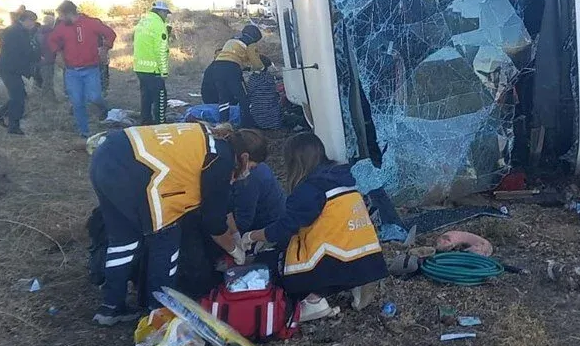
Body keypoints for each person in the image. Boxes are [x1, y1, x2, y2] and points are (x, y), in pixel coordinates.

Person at [89, 122, 250, 325]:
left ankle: (110, 307)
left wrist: (234, 234)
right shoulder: (222, 159)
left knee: (123, 241)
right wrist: (235, 250)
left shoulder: (208, 136)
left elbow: (218, 203)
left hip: (107, 155)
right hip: (136, 172)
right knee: (166, 240)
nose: (248, 173)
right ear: (244, 158)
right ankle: (158, 310)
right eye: (250, 168)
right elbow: (213, 222)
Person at [241, 133, 387, 321]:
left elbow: (286, 227)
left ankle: (314, 300)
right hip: (367, 255)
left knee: (279, 265)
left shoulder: (309, 190)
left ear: (295, 162)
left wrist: (253, 236)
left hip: (336, 258)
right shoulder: (343, 179)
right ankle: (357, 281)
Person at [47, 0, 116, 138]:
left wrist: (105, 48)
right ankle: (84, 132)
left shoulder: (91, 23)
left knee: (94, 96)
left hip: (90, 69)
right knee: (77, 102)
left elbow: (110, 34)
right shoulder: (62, 27)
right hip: (72, 71)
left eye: (61, 15)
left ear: (69, 13)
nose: (59, 18)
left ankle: (104, 109)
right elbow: (52, 40)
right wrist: (58, 53)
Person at [200, 24, 268, 126]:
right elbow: (255, 61)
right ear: (255, 37)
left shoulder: (231, 40)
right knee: (243, 97)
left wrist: (245, 67)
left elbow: (228, 56)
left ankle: (224, 124)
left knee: (223, 98)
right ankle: (247, 125)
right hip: (231, 68)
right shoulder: (250, 43)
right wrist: (263, 69)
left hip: (216, 67)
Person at [228, 129, 285, 243]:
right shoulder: (248, 168)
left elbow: (243, 222)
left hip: (268, 228)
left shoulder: (248, 180)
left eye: (253, 167)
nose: (251, 169)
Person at [0, 10, 39, 135]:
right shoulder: (18, 32)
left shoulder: (13, 30)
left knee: (19, 95)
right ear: (26, 20)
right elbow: (24, 51)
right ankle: (13, 126)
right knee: (18, 97)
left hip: (8, 68)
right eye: (32, 21)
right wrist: (37, 56)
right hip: (10, 69)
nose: (33, 24)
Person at [133, 0, 172, 125]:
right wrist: (164, 71)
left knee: (146, 97)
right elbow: (161, 50)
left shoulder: (142, 22)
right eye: (166, 13)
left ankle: (145, 122)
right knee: (160, 99)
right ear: (160, 11)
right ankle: (160, 124)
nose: (166, 16)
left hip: (140, 67)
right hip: (153, 69)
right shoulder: (159, 25)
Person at [36, 13, 57, 99]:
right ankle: (48, 99)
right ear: (51, 22)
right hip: (48, 59)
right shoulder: (51, 33)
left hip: (39, 59)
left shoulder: (38, 31)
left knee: (41, 80)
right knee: (48, 81)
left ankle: (43, 97)